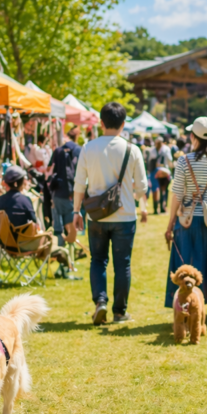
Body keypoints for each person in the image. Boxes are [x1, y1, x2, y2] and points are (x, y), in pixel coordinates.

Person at [73, 102, 148, 326]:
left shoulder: (88, 148)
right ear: (123, 124)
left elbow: (78, 184)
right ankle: (119, 311)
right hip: (124, 216)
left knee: (97, 261)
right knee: (122, 264)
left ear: (101, 123)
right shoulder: (132, 149)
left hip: (95, 216)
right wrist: (135, 199)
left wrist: (76, 211)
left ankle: (100, 301)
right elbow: (141, 187)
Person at [164, 117, 207, 326]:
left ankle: (186, 310)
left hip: (188, 222)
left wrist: (169, 226)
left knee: (188, 264)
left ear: (193, 137)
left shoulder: (184, 161)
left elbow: (176, 195)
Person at [0, 165, 46, 251]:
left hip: (4, 244)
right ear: (19, 183)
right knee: (48, 236)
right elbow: (35, 224)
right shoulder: (25, 201)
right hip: (24, 244)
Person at [49, 125, 81, 251]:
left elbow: (51, 170)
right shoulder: (79, 150)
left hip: (57, 191)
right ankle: (70, 254)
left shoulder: (58, 150)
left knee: (58, 225)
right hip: (72, 192)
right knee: (71, 224)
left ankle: (60, 252)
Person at [150, 135, 173, 213]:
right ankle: (161, 207)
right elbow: (170, 159)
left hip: (158, 172)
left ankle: (158, 208)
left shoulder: (154, 150)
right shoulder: (166, 149)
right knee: (162, 190)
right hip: (164, 172)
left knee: (157, 189)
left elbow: (150, 159)